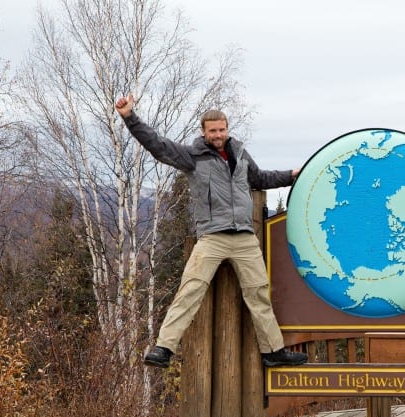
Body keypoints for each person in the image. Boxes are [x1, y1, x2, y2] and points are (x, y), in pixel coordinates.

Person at [114, 94, 307, 369]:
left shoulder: (240, 154)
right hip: (212, 236)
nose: (218, 134)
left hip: (244, 237)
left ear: (227, 129)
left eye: (222, 129)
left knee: (259, 294)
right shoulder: (192, 157)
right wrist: (129, 117)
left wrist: (291, 175)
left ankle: (273, 351)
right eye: (213, 130)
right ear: (204, 132)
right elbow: (156, 145)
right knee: (191, 288)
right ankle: (164, 348)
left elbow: (260, 178)